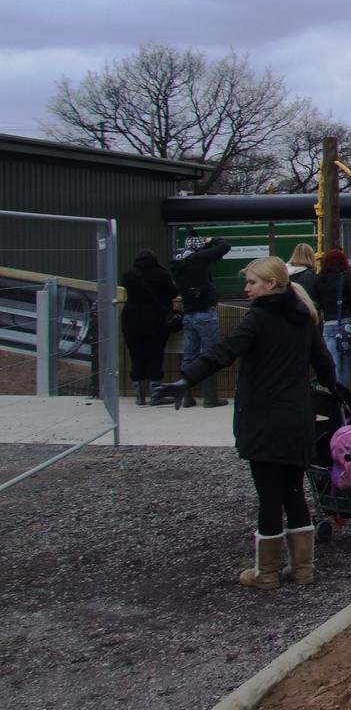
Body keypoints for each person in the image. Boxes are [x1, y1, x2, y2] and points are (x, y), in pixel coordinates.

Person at [152, 256, 337, 590]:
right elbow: (324, 365)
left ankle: (266, 573)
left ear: (270, 283)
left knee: (269, 496)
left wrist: (185, 380)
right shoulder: (304, 320)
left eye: (251, 282)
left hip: (263, 420)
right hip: (297, 419)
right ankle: (303, 569)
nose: (246, 288)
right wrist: (337, 393)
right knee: (294, 491)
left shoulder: (258, 319)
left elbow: (223, 352)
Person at [171, 235, 231, 408]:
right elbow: (224, 246)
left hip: (188, 315)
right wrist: (210, 240)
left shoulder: (177, 263)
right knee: (210, 354)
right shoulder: (198, 258)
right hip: (205, 313)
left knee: (189, 355)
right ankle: (210, 398)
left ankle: (186, 396)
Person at [121, 249, 179, 406]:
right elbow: (173, 293)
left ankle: (139, 396)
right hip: (155, 321)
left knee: (136, 356)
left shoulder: (129, 275)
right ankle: (156, 394)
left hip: (131, 321)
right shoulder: (162, 275)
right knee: (155, 355)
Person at [312, 248, 351, 388]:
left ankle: (335, 395)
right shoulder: (346, 277)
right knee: (346, 363)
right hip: (347, 324)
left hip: (329, 324)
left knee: (334, 362)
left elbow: (317, 303)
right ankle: (346, 395)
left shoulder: (318, 279)